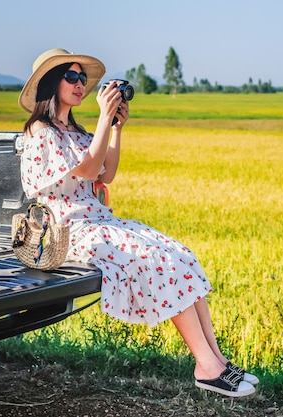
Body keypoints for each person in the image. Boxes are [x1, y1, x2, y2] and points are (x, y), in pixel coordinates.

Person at [18, 48, 258, 397]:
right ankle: (206, 365)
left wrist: (116, 128)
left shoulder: (76, 130)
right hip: (66, 231)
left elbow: (106, 174)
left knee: (180, 254)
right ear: (51, 83)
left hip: (97, 221)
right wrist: (103, 119)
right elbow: (86, 169)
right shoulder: (41, 131)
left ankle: (215, 360)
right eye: (71, 76)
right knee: (156, 259)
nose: (80, 83)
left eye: (83, 77)